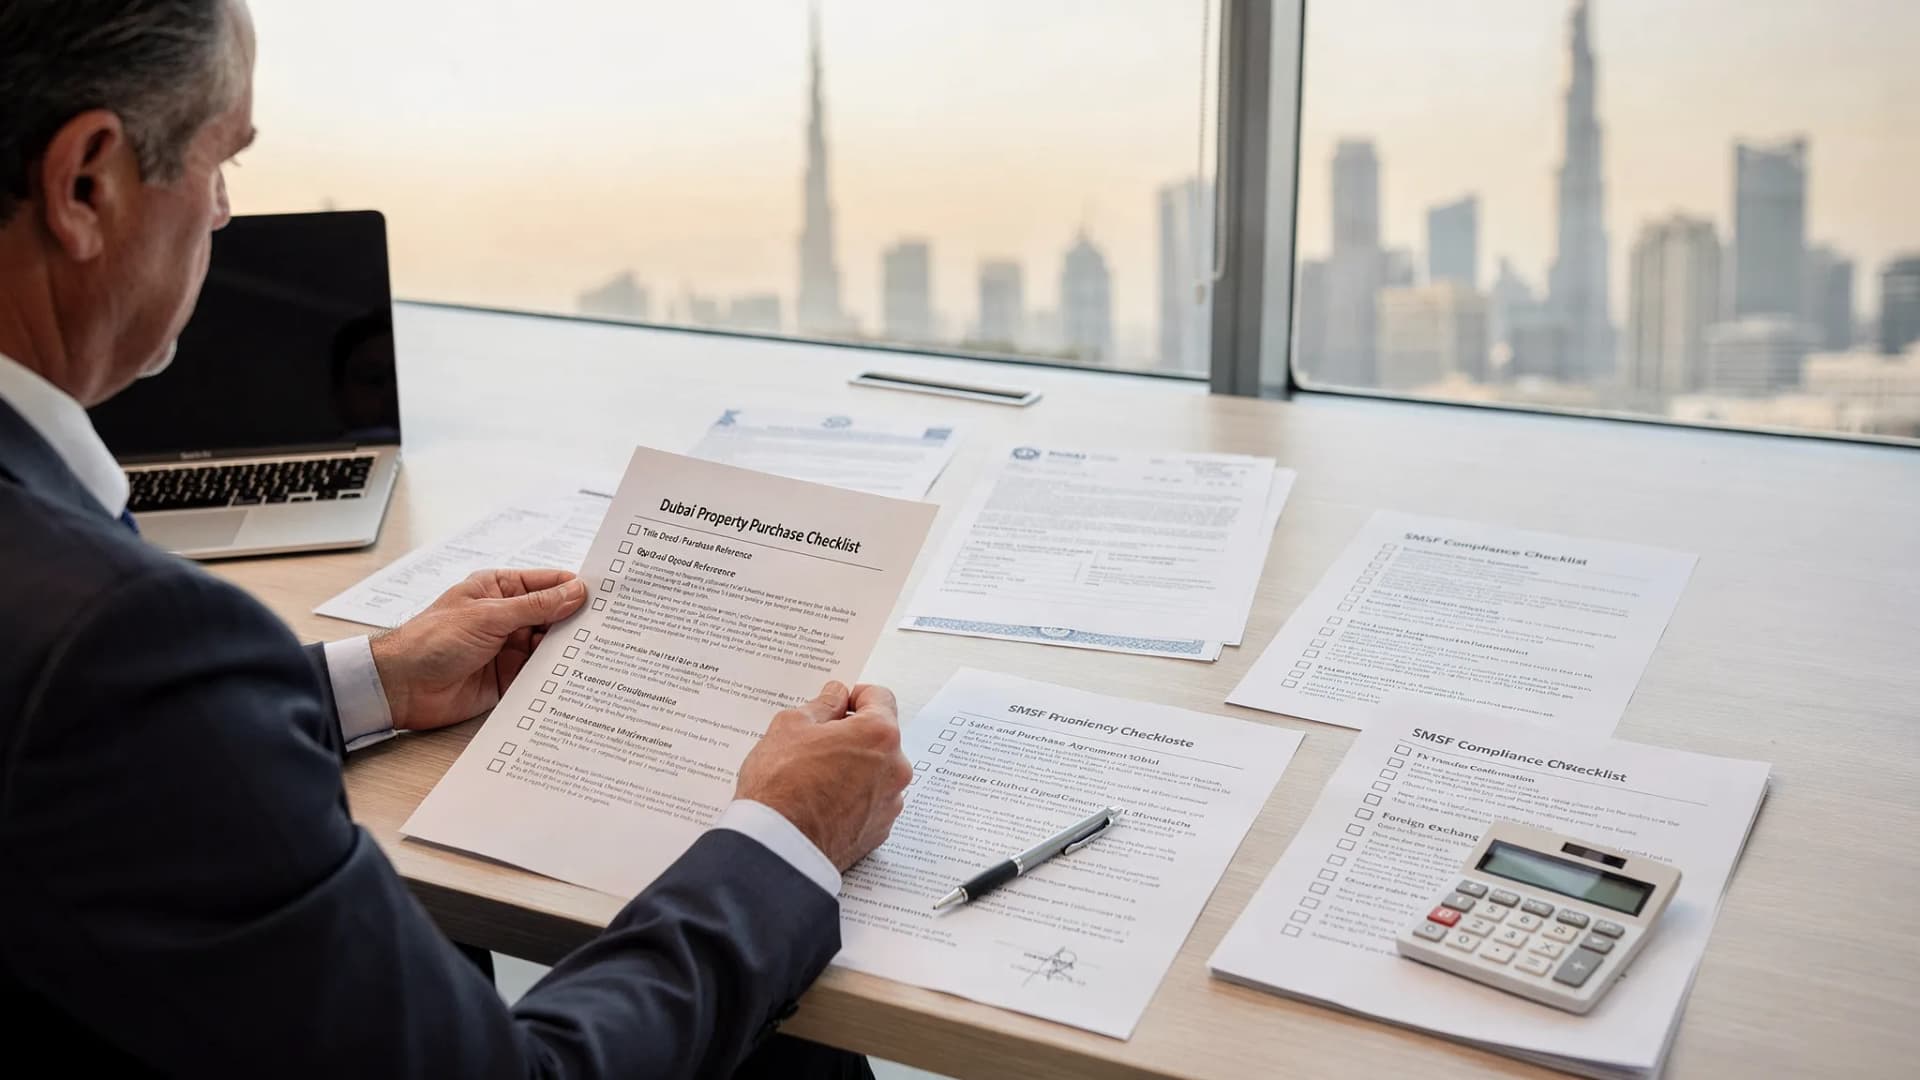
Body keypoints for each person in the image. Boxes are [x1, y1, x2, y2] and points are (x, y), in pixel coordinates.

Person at [0, 2, 909, 1076]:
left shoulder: (89, 633)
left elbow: (72, 739)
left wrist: (375, 677)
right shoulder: (118, 636)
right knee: (791, 1047)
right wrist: (787, 833)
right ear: (86, 186)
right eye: (220, 161)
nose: (226, 217)